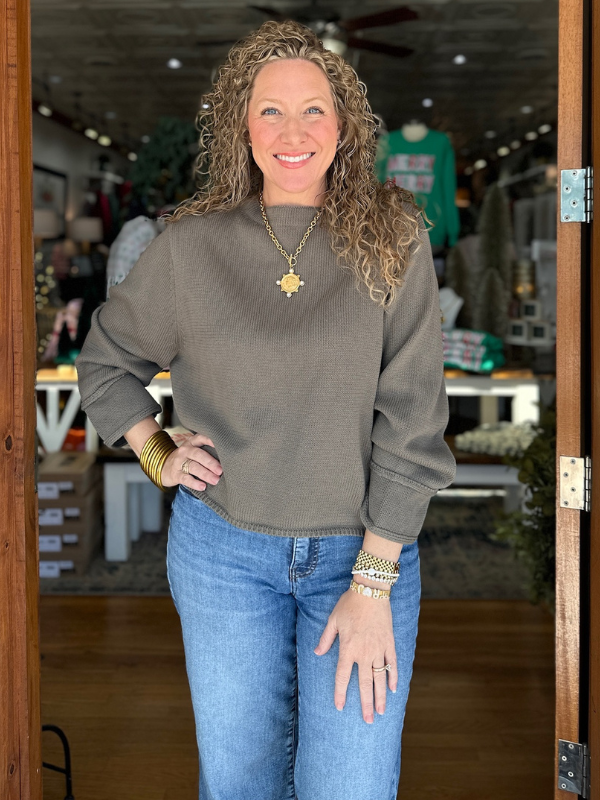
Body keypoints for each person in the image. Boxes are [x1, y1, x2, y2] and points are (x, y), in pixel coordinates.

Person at [75, 19, 456, 800]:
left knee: (350, 786)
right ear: (240, 127)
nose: (293, 131)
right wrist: (155, 450)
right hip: (224, 557)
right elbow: (106, 363)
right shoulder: (189, 248)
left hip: (363, 558)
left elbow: (414, 418)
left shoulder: (395, 239)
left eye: (314, 109)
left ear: (343, 125)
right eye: (270, 110)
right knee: (239, 783)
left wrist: (373, 580)